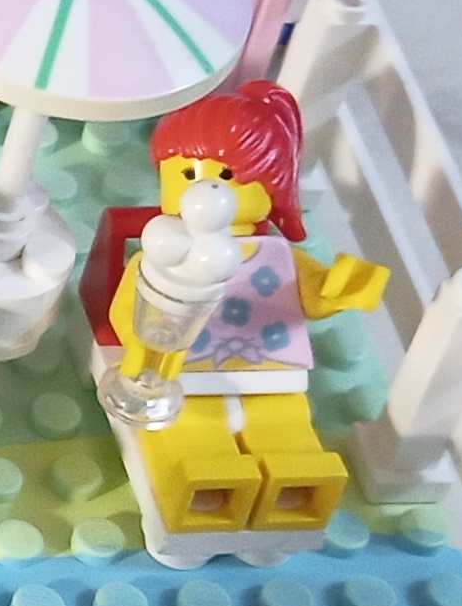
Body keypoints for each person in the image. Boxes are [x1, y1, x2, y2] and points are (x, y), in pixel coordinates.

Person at [78, 81, 389, 536]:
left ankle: (295, 491)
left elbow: (313, 296)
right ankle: (207, 495)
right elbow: (129, 313)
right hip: (182, 379)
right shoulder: (165, 253)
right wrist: (154, 330)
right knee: (195, 439)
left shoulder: (274, 255)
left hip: (273, 377)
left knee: (286, 432)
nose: (204, 189)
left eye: (225, 176)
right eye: (186, 174)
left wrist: (338, 289)